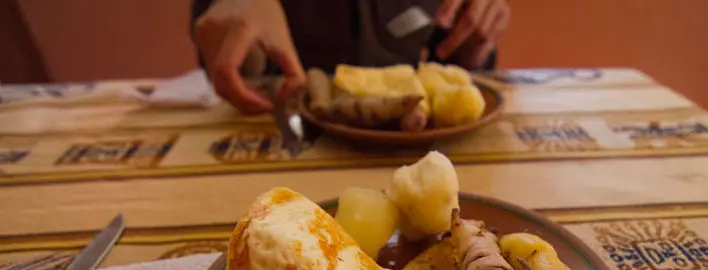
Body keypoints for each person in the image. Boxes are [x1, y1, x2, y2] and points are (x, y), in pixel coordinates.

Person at [191, 0, 510, 114]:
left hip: (429, 147)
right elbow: (234, 61)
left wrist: (476, 36)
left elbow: (461, 62)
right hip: (291, 138)